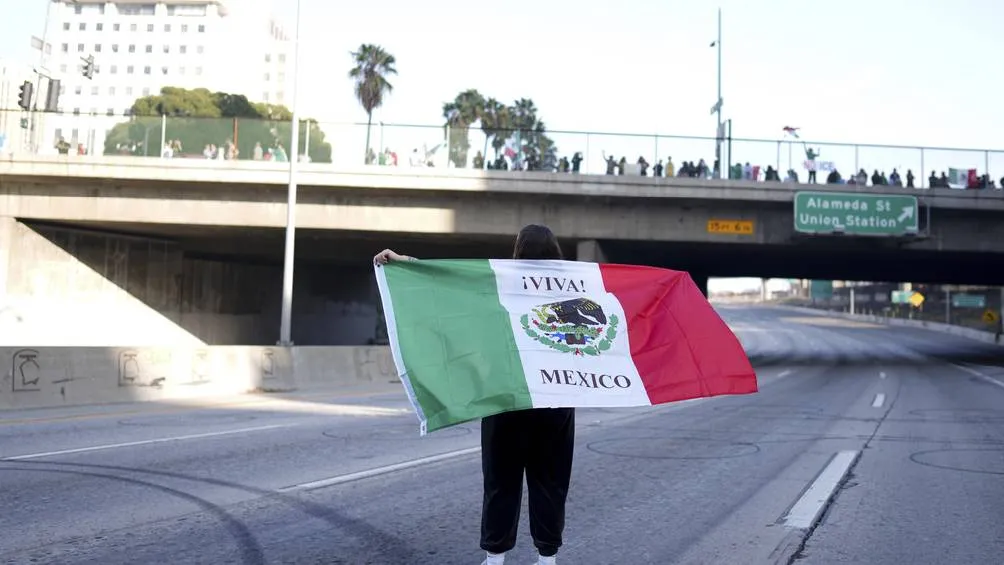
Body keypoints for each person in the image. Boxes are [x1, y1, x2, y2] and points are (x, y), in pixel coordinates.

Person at [373, 224, 575, 565]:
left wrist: (405, 262)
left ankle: (495, 559)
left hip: (504, 396)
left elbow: (450, 286)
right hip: (553, 400)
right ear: (555, 251)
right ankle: (547, 560)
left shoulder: (497, 281)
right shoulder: (572, 288)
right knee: (550, 481)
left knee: (501, 480)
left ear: (519, 249)